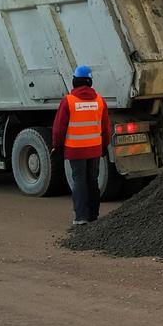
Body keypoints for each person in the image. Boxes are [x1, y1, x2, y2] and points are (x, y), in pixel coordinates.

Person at [52, 64, 112, 226]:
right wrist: (104, 146)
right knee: (92, 180)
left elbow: (59, 129)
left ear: (75, 81)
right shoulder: (100, 101)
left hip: (75, 151)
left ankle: (81, 217)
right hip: (94, 149)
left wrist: (57, 147)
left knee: (79, 181)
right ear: (90, 81)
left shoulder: (68, 101)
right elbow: (106, 128)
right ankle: (93, 215)